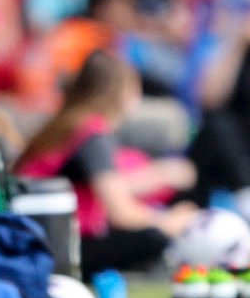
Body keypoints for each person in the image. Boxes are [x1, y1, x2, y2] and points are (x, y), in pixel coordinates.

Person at [14, 51, 196, 275]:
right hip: (55, 248)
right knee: (152, 238)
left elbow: (110, 187)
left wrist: (160, 176)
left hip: (34, 242)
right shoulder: (92, 132)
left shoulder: (70, 122)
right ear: (121, 92)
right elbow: (121, 212)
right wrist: (170, 223)